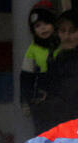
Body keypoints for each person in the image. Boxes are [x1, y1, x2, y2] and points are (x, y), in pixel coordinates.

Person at [38, 10, 78, 130]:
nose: (67, 36)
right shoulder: (55, 59)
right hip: (58, 128)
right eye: (62, 31)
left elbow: (75, 95)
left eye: (72, 31)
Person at [20, 3, 58, 133]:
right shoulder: (32, 50)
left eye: (46, 23)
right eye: (37, 26)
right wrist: (26, 100)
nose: (43, 29)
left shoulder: (62, 44)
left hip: (61, 93)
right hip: (42, 97)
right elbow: (26, 77)